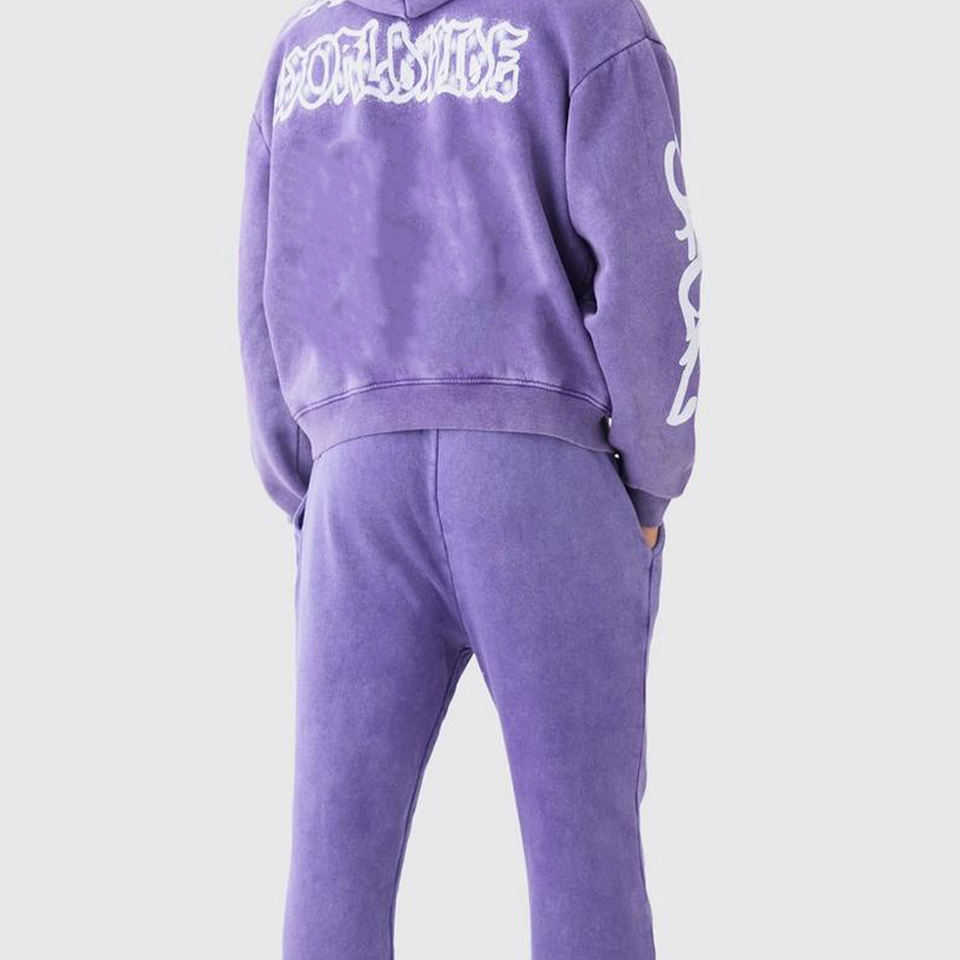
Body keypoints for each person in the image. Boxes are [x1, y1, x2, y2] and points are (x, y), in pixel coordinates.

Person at [237, 0, 701, 957]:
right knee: (585, 859)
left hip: (355, 484)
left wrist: (309, 484)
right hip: (543, 477)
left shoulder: (304, 52)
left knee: (336, 860)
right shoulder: (589, 22)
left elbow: (262, 296)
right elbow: (651, 272)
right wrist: (652, 483)